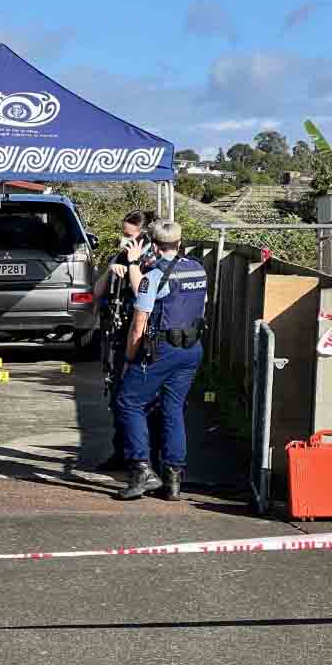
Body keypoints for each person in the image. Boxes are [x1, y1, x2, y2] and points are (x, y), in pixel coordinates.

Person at [114, 221, 207, 501]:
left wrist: (130, 357)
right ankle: (173, 479)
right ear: (180, 242)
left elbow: (138, 323)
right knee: (173, 408)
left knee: (128, 401)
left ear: (154, 246)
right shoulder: (198, 269)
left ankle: (142, 470)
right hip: (192, 348)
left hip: (162, 349)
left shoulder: (153, 276)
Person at [94, 210, 161, 473]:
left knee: (136, 399)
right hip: (118, 334)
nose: (124, 240)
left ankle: (143, 459)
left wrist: (133, 266)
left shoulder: (153, 262)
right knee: (116, 393)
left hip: (141, 336)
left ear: (144, 237)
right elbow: (96, 292)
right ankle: (121, 451)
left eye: (129, 235)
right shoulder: (121, 256)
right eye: (123, 234)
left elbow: (142, 293)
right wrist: (110, 270)